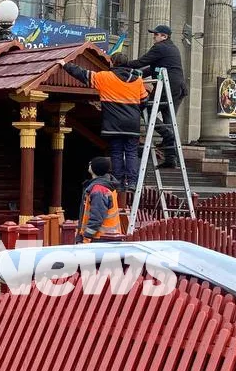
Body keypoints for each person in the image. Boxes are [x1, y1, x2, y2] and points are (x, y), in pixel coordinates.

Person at [62, 54, 148, 193]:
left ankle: (118, 182)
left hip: (114, 125)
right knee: (131, 153)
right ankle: (132, 182)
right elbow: (144, 100)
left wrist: (65, 64)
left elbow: (83, 74)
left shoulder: (105, 77)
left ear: (112, 63)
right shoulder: (137, 81)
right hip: (132, 124)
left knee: (116, 153)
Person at [132, 25, 187, 167]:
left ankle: (167, 135)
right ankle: (171, 159)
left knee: (147, 110)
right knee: (169, 120)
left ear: (164, 36)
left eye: (156, 34)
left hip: (168, 86)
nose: (153, 37)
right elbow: (150, 69)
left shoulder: (160, 47)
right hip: (178, 88)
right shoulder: (171, 48)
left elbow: (140, 62)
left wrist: (121, 67)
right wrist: (134, 74)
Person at [76, 156, 123, 243]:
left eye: (91, 164)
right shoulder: (107, 184)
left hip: (99, 238)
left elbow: (97, 217)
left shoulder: (98, 189)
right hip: (108, 236)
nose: (89, 164)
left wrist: (87, 236)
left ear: (95, 169)